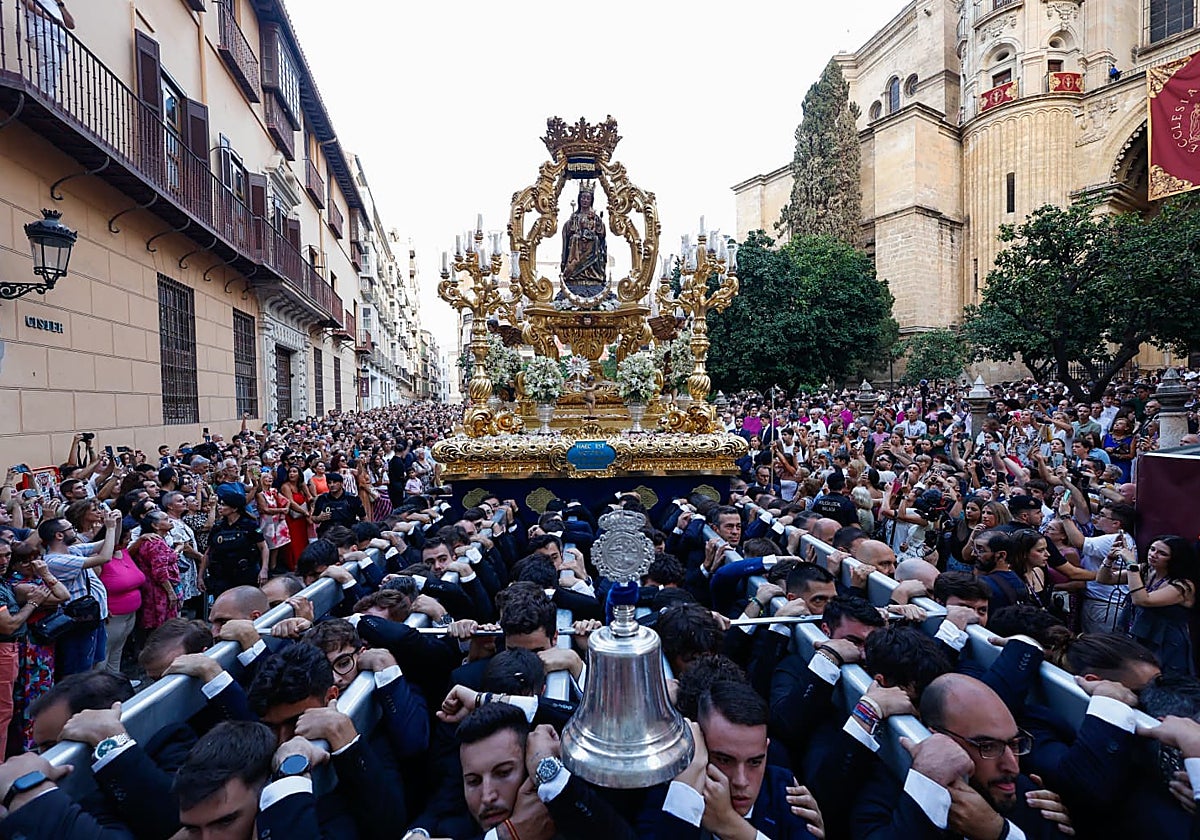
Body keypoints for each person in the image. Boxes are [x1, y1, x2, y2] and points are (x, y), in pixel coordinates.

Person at [1097, 535, 1198, 676]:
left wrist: (1131, 564)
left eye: (1162, 553)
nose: (1153, 555)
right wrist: (1109, 559)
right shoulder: (1145, 570)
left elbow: (1142, 600)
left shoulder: (1183, 585)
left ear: (1175, 559)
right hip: (1139, 634)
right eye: (1152, 549)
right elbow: (1104, 579)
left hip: (1165, 642)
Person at [39, 509, 119, 677]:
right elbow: (104, 558)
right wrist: (110, 528)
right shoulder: (55, 560)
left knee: (93, 662)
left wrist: (116, 523)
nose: (74, 531)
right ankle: (76, 702)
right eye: (70, 528)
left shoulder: (72, 550)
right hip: (76, 621)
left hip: (91, 616)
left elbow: (110, 544)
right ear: (59, 535)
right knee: (78, 669)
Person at [200, 489, 268, 596]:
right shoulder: (218, 527)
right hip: (222, 575)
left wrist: (264, 569)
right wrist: (200, 576)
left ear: (234, 508)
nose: (220, 507)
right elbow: (208, 553)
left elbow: (263, 547)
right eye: (220, 504)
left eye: (224, 505)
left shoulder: (250, 525)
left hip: (245, 573)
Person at [129, 509, 181, 636]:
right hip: (158, 592)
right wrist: (171, 593)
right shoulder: (155, 543)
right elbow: (160, 572)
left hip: (155, 588)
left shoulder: (157, 540)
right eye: (165, 519)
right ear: (155, 525)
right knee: (161, 629)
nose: (170, 521)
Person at [560, 180, 607, 297]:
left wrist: (598, 225)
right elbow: (568, 231)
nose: (585, 200)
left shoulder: (595, 218)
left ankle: (593, 275)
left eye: (587, 198)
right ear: (579, 199)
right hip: (576, 248)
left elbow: (601, 234)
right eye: (583, 198)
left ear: (591, 200)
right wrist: (572, 228)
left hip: (592, 247)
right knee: (574, 238)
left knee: (595, 240)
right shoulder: (574, 216)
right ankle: (573, 273)